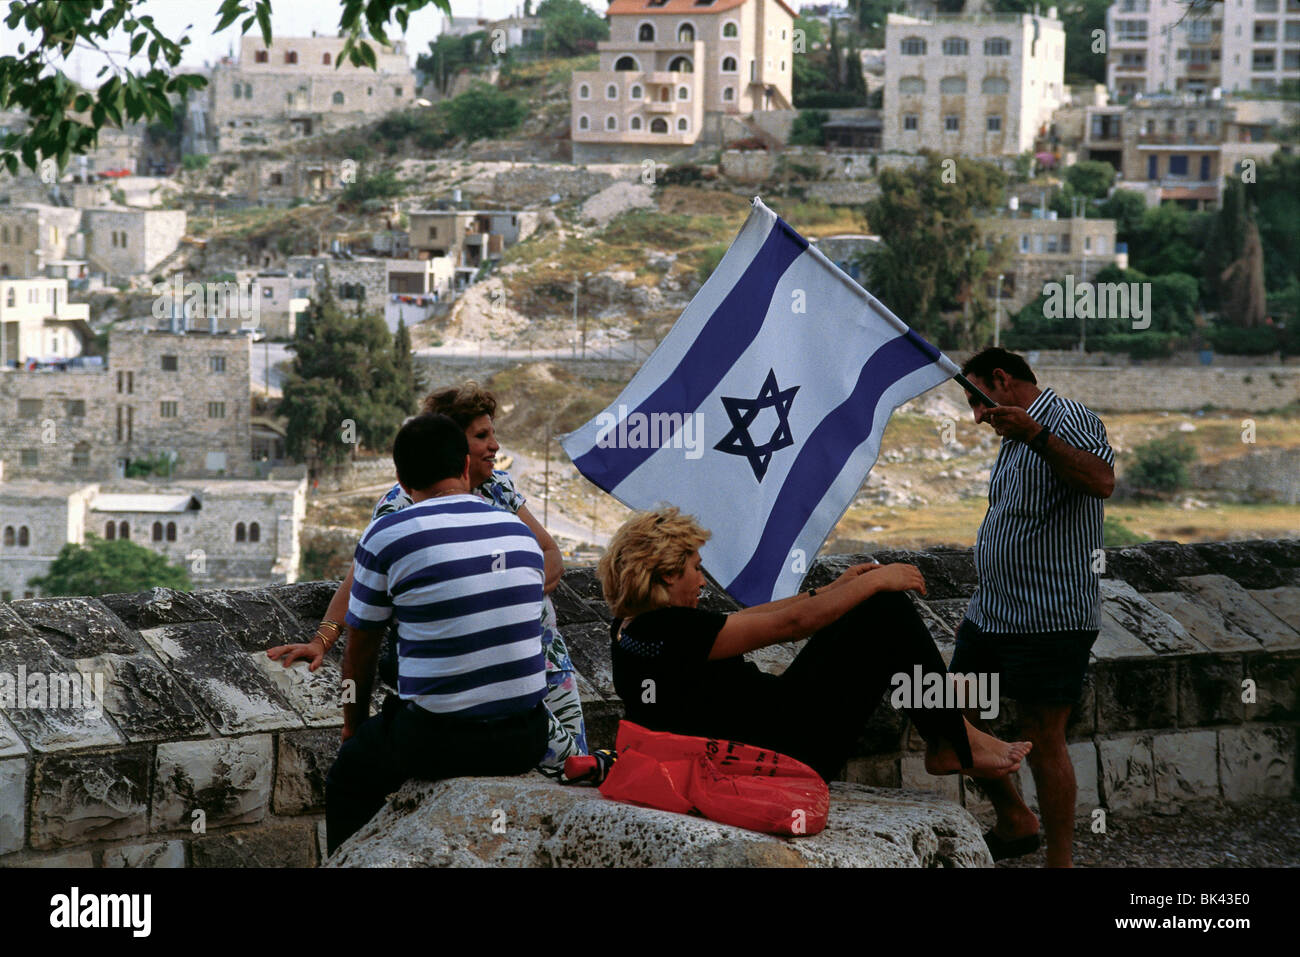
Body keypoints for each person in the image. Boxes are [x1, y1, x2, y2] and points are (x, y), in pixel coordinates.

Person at [269, 382, 588, 776]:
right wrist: (323, 639)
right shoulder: (399, 507)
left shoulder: (499, 488)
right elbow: (360, 580)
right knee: (555, 764)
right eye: (482, 436)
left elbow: (551, 552)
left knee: (577, 767)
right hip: (482, 671)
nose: (495, 446)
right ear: (454, 447)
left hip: (544, 655)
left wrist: (504, 593)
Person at [598, 507, 1032, 786]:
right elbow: (791, 625)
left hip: (757, 742)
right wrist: (879, 581)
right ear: (669, 574)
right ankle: (951, 739)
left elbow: (746, 620)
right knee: (885, 611)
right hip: (783, 752)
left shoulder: (632, 628)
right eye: (695, 567)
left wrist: (829, 590)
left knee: (870, 610)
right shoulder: (672, 630)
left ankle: (951, 733)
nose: (702, 580)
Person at [324, 414, 550, 853]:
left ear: (401, 479)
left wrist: (355, 730)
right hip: (527, 737)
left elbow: (360, 648)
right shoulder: (520, 533)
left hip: (439, 743)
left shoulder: (389, 533)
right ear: (466, 468)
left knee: (349, 776)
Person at [953, 347, 1115, 868]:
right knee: (952, 715)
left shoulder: (1066, 418)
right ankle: (1016, 818)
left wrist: (1037, 437)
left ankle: (1060, 862)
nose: (976, 416)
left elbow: (1100, 481)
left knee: (1044, 736)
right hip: (991, 613)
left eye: (978, 400)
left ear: (1001, 379)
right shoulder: (1010, 438)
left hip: (1051, 615)